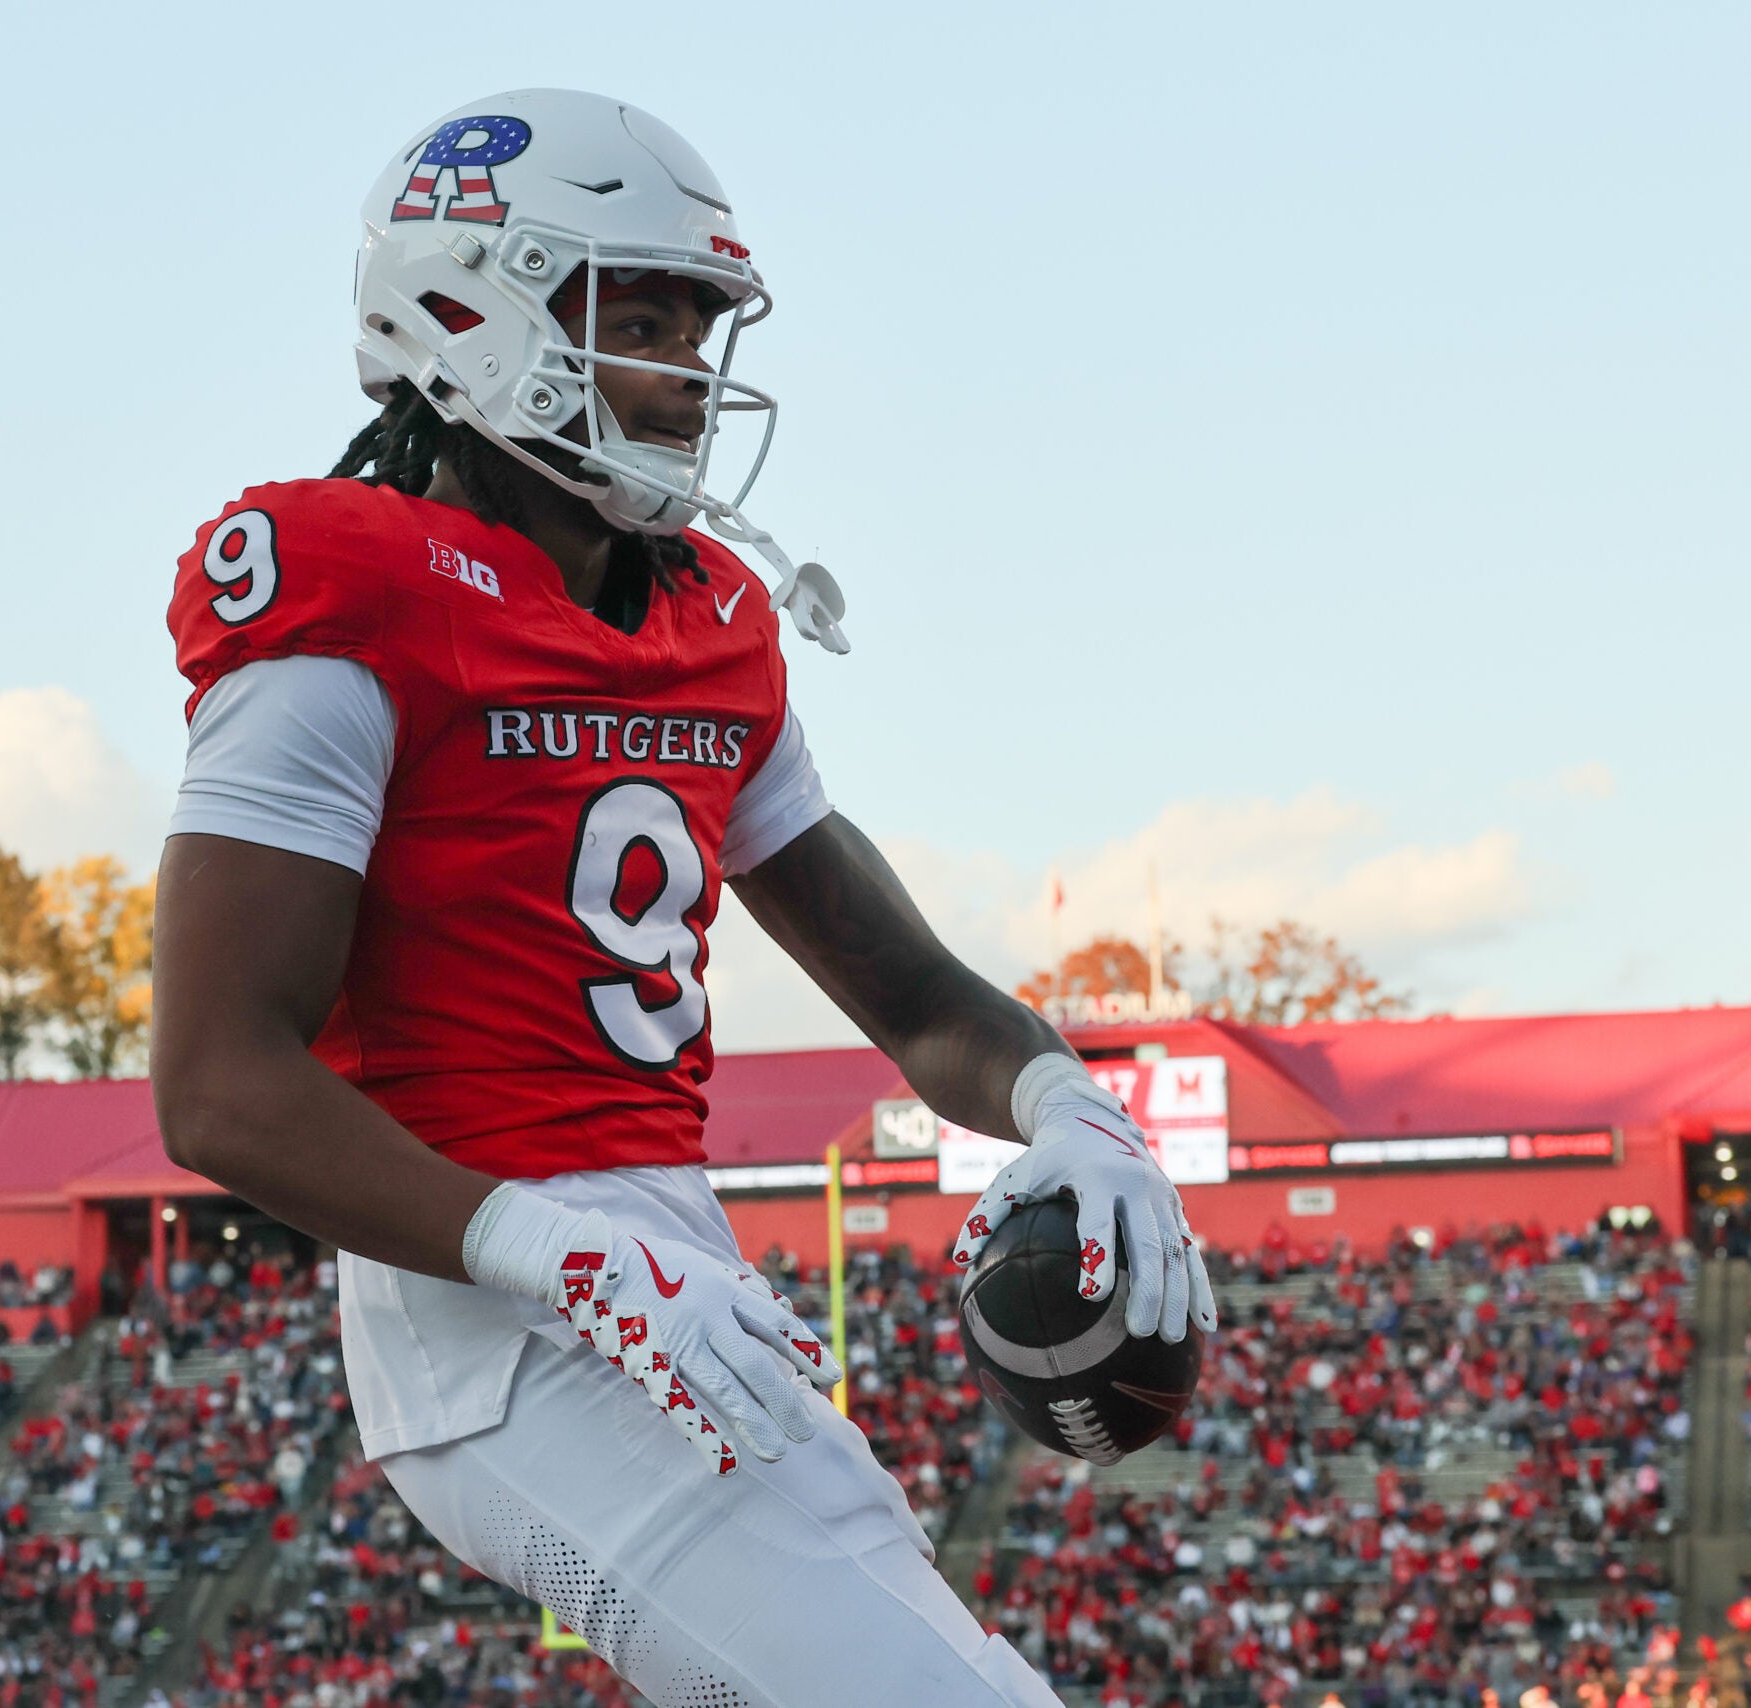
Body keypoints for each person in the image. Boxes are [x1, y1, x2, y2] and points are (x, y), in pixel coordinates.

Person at [152, 89, 1217, 1707]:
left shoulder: (712, 618)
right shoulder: (346, 585)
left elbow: (917, 1000)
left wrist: (1071, 1106)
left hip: (672, 1269)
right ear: (468, 310)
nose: (684, 376)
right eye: (636, 318)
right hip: (487, 1310)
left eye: (695, 327)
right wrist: (561, 1258)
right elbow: (219, 1083)